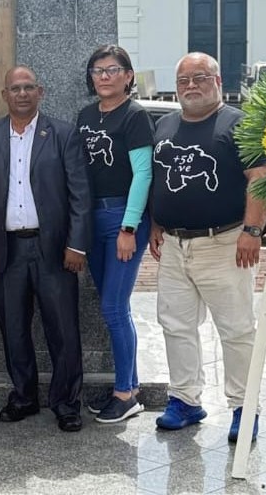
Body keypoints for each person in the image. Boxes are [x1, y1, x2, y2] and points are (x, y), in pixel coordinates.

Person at [148, 52, 266, 442]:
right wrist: (155, 222)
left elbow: (260, 177)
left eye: (200, 77)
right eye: (183, 80)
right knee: (176, 325)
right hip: (174, 244)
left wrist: (253, 230)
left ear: (218, 81)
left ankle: (243, 407)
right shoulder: (165, 124)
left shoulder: (239, 123)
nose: (190, 86)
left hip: (227, 243)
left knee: (236, 330)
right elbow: (160, 178)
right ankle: (184, 399)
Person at [0, 66, 91, 433]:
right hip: (5, 250)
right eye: (14, 88)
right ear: (4, 94)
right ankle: (23, 396)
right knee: (14, 329)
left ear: (40, 92)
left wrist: (76, 245)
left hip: (53, 248)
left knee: (63, 330)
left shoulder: (63, 134)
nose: (22, 94)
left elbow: (80, 195)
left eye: (28, 87)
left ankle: (66, 403)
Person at [76, 45, 154, 424]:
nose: (104, 76)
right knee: (116, 308)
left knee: (112, 307)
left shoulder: (135, 115)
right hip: (91, 219)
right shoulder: (86, 115)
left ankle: (125, 394)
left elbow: (143, 174)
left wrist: (130, 226)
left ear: (128, 75)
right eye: (97, 70)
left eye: (112, 69)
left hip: (122, 219)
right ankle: (131, 385)